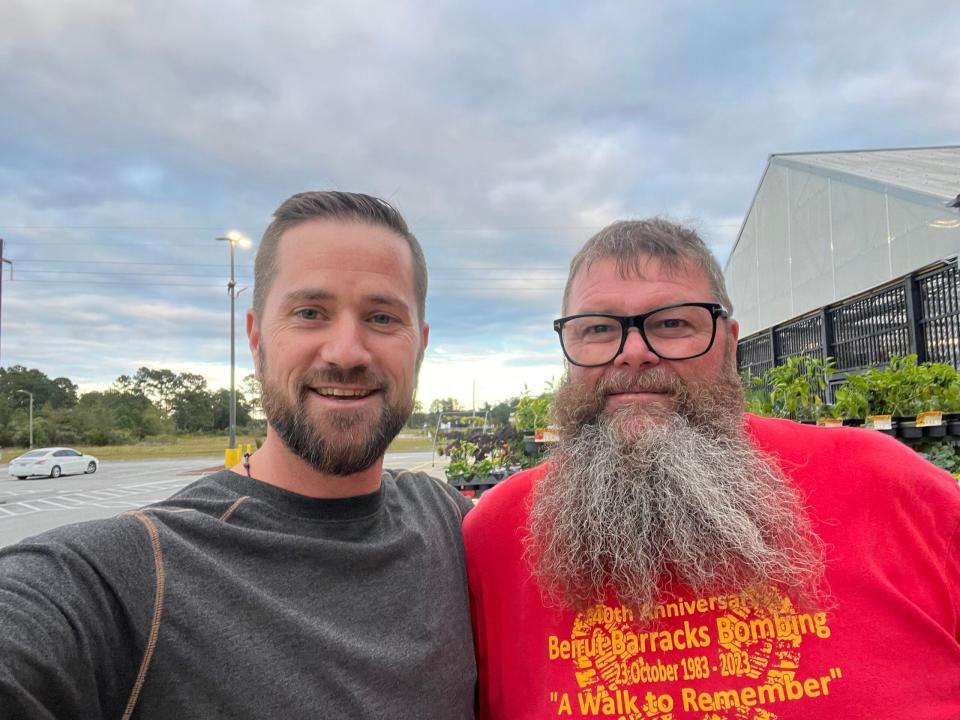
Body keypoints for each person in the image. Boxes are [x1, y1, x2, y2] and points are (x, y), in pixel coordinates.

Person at [0, 191, 476, 719]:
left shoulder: (446, 519)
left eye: (383, 318)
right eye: (310, 312)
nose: (346, 352)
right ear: (255, 339)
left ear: (421, 345)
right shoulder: (131, 576)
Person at [464, 218, 960, 719]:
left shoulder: (891, 487)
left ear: (728, 342)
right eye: (597, 328)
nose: (634, 352)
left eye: (673, 323)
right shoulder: (497, 535)